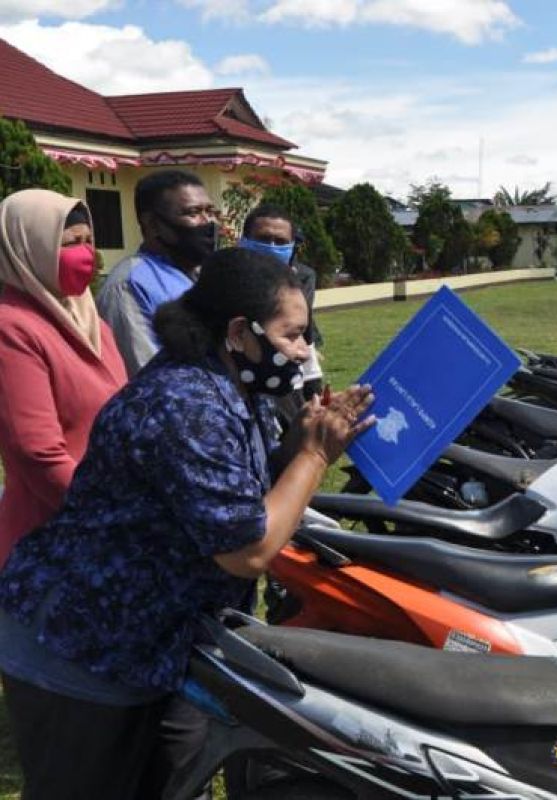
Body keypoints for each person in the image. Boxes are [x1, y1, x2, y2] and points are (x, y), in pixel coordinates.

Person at [0, 247, 374, 798]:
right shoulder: (186, 403)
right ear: (240, 333)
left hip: (154, 646)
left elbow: (235, 492)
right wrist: (313, 458)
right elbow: (245, 548)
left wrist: (296, 444)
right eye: (293, 334)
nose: (304, 351)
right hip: (82, 651)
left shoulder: (226, 386)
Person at [0, 190, 127, 567]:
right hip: (56, 539)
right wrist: (109, 516)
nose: (85, 254)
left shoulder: (91, 319)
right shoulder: (12, 328)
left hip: (111, 522)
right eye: (70, 243)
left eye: (89, 241)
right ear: (28, 247)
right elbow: (37, 453)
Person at [96, 169, 218, 376]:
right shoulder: (129, 285)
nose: (208, 222)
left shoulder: (202, 275)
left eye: (210, 211)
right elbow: (145, 372)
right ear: (152, 224)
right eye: (193, 213)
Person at [240, 203, 325, 401]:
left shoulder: (297, 283)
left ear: (291, 246)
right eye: (263, 239)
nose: (272, 247)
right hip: (242, 391)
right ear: (244, 240)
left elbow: (305, 336)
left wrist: (313, 384)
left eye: (280, 241)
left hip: (288, 387)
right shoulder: (226, 284)